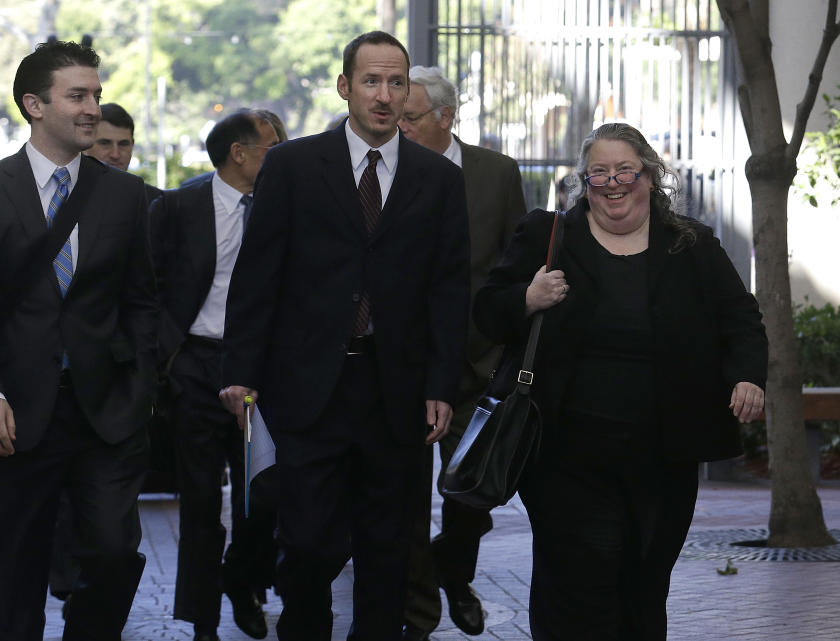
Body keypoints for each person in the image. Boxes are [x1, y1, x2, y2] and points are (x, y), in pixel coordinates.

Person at [218, 31, 470, 641]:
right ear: (345, 87)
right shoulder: (293, 165)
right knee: (306, 543)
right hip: (307, 387)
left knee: (387, 550)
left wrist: (441, 384)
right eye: (371, 81)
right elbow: (258, 277)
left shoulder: (436, 179)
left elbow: (448, 290)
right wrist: (240, 372)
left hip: (396, 390)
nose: (384, 95)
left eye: (396, 82)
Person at [473, 122, 768, 640]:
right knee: (577, 580)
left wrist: (746, 376)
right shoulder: (549, 235)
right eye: (599, 173)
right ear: (584, 181)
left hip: (664, 451)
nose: (613, 183)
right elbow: (486, 312)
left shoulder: (689, 244)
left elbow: (739, 316)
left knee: (645, 579)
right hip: (563, 451)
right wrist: (527, 297)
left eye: (625, 171)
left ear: (650, 176)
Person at [0, 41, 158, 641]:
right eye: (77, 96)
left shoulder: (125, 194)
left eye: (96, 94)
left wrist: (138, 385)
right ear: (35, 105)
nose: (93, 108)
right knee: (16, 575)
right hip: (11, 414)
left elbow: (142, 301)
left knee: (115, 554)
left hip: (105, 413)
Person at [397, 65, 527, 641]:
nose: (397, 125)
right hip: (401, 364)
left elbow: (516, 264)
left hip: (476, 363)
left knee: (472, 493)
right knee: (401, 498)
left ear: (446, 117)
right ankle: (420, 612)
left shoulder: (495, 174)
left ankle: (453, 570)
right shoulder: (381, 169)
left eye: (410, 117)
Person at [149, 109, 281, 641]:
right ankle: (203, 620)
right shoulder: (180, 206)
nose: (282, 154)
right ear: (240, 153)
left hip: (262, 372)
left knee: (262, 497)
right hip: (197, 369)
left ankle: (242, 580)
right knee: (200, 503)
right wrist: (168, 361)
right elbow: (152, 284)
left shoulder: (282, 205)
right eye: (272, 146)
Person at [48, 100, 163, 607]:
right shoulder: (26, 194)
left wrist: (143, 378)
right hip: (41, 394)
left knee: (115, 541)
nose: (115, 154)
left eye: (124, 144)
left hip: (114, 395)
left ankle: (91, 617)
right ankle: (70, 589)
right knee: (54, 528)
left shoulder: (144, 200)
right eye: (104, 144)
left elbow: (151, 298)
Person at [181, 109, 287, 189]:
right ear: (239, 154)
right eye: (273, 147)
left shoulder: (290, 200)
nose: (280, 156)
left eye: (280, 147)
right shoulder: (183, 203)